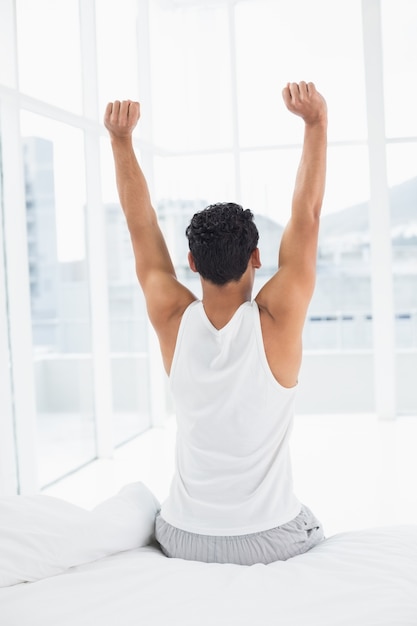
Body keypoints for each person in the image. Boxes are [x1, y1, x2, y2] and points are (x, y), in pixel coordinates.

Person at [104, 81, 327, 566]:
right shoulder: (278, 319)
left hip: (184, 534)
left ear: (191, 261)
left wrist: (120, 141)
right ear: (256, 257)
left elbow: (140, 225)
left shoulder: (171, 317)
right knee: (310, 520)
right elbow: (306, 217)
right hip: (269, 536)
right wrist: (316, 123)